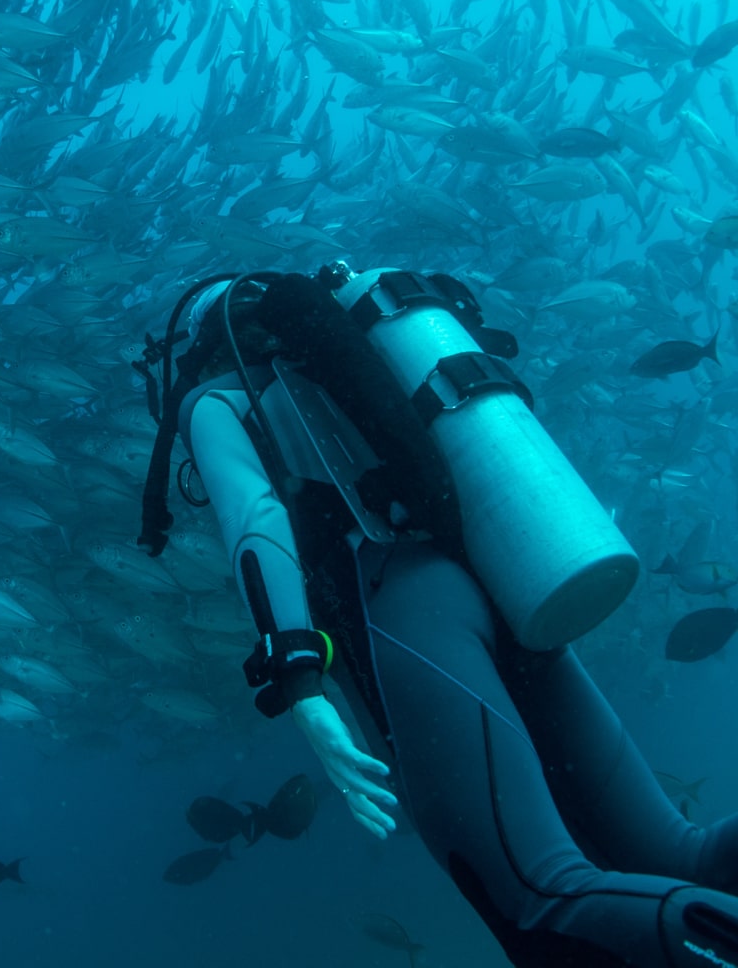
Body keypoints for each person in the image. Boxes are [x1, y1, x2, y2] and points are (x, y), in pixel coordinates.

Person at [134, 263, 738, 968]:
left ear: (205, 343)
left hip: (407, 607)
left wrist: (299, 683)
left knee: (539, 900)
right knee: (676, 851)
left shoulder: (216, 400)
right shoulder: (371, 376)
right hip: (504, 582)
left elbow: (256, 523)